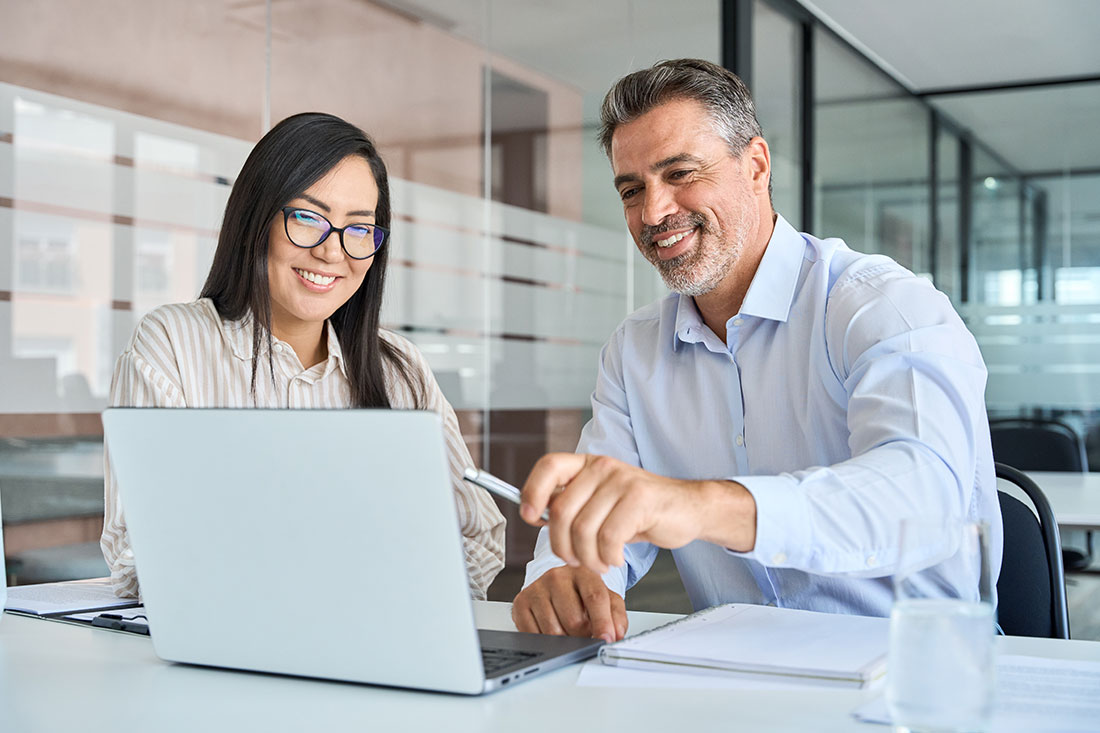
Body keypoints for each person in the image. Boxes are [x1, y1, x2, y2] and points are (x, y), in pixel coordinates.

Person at [512, 59, 1002, 642]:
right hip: (734, 674)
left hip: (911, 676)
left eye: (681, 173)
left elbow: (922, 501)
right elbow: (604, 516)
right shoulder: (634, 350)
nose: (652, 211)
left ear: (756, 167)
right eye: (631, 189)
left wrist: (698, 505)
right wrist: (566, 574)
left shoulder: (881, 306)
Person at [101, 113, 505, 600]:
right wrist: (372, 554)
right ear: (257, 220)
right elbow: (136, 553)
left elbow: (478, 538)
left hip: (381, 643)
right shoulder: (173, 344)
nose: (333, 252)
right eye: (308, 218)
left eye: (359, 229)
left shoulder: (399, 368)